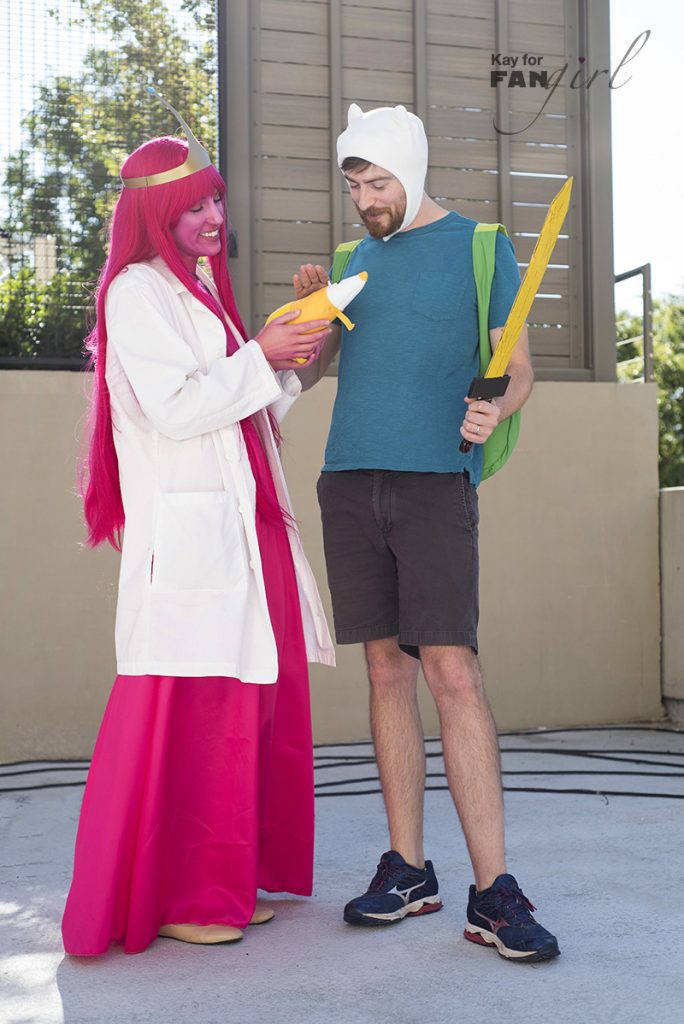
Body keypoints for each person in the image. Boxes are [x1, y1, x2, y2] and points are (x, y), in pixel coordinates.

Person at [61, 97, 335, 956]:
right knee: (194, 718)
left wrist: (296, 357)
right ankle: (183, 893)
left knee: (242, 711)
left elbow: (242, 410)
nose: (216, 217)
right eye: (196, 206)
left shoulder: (201, 293)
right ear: (156, 215)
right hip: (195, 541)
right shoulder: (137, 294)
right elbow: (181, 411)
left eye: (218, 202)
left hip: (247, 527)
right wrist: (262, 353)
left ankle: (225, 881)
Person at [293, 103, 560, 962]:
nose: (366, 200)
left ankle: (494, 892)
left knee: (452, 673)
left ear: (411, 166)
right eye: (355, 185)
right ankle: (408, 867)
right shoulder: (349, 260)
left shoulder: (479, 249)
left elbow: (517, 372)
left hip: (435, 481)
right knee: (382, 669)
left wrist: (492, 409)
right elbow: (312, 366)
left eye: (378, 182)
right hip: (348, 478)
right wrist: (310, 319)